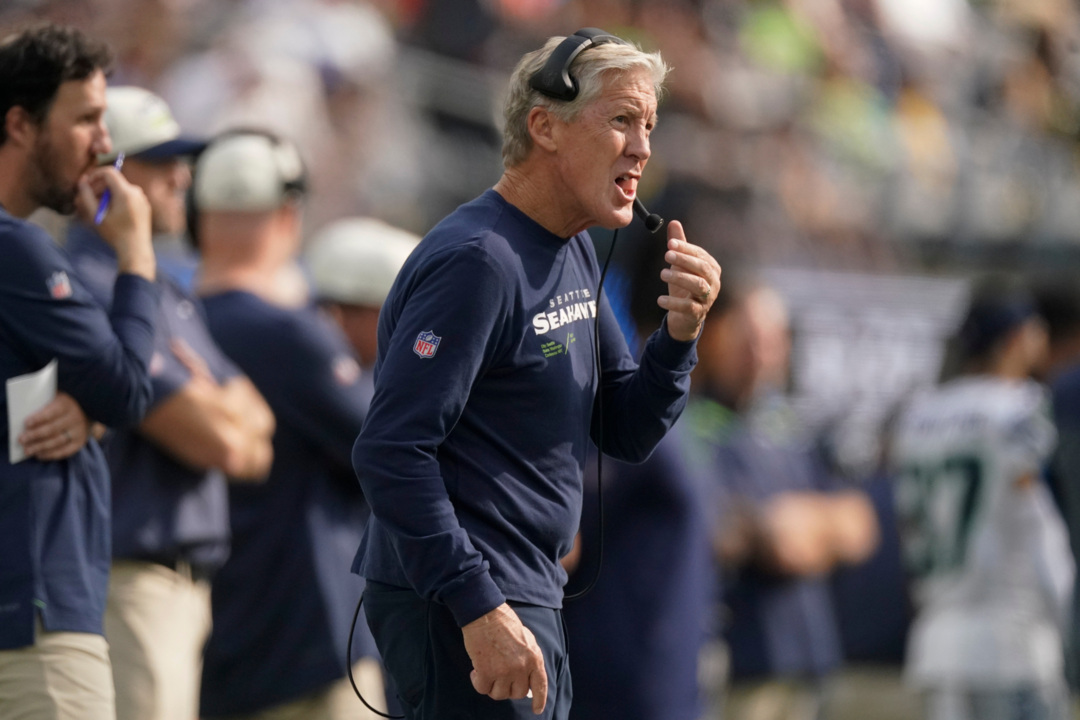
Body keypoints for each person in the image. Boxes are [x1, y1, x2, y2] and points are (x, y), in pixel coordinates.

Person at [351, 28, 722, 720]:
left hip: (522, 592)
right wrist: (477, 605)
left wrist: (678, 336)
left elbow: (625, 426)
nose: (643, 147)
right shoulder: (479, 260)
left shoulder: (573, 249)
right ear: (545, 127)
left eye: (649, 125)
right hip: (467, 600)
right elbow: (390, 451)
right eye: (620, 120)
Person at [64, 86, 276, 720]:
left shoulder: (159, 289)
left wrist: (215, 403)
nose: (183, 177)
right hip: (127, 581)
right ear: (105, 179)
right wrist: (218, 405)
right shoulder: (93, 286)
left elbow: (262, 429)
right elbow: (226, 443)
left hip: (175, 587)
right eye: (161, 162)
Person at [191, 131, 385, 720]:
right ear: (287, 213)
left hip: (220, 636)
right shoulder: (289, 333)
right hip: (305, 640)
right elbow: (390, 447)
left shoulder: (170, 318)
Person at [0, 24, 159, 720]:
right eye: (87, 118)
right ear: (19, 124)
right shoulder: (19, 251)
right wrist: (135, 252)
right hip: (32, 621)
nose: (105, 143)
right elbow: (127, 388)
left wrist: (83, 404)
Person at [683, 280, 879, 720]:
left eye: (771, 340)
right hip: (744, 664)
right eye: (746, 339)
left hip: (811, 663)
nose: (759, 354)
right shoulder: (694, 425)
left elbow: (859, 526)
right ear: (715, 339)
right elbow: (729, 533)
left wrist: (796, 526)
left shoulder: (794, 427)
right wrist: (802, 528)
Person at [891, 278, 1074, 720]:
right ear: (1019, 339)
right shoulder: (1023, 410)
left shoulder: (917, 416)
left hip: (938, 644)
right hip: (1013, 644)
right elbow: (1043, 533)